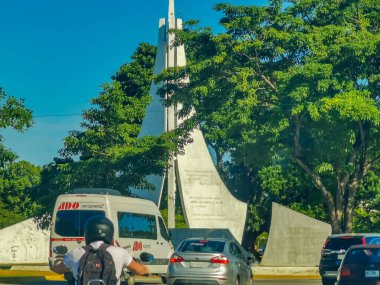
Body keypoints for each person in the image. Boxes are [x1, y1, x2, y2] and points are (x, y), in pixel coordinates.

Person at [49, 215, 149, 285]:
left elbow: (58, 269)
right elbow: (140, 270)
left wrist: (53, 266)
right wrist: (146, 269)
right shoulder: (120, 253)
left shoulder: (75, 253)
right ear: (110, 233)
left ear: (87, 233)